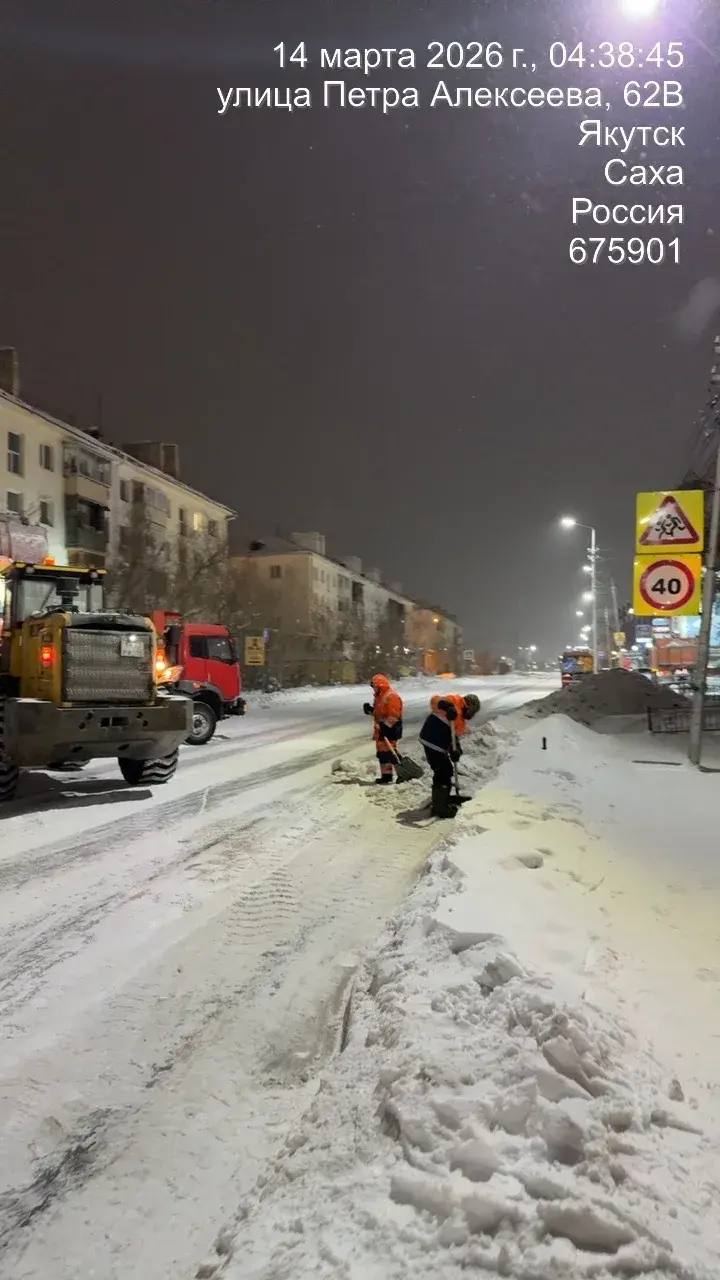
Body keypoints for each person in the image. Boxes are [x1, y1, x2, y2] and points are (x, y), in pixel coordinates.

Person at [419, 692, 481, 818]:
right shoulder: (454, 701)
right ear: (469, 706)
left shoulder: (461, 721)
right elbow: (435, 700)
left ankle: (441, 799)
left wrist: (456, 750)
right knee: (443, 771)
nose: (471, 715)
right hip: (432, 739)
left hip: (438, 744)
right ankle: (440, 808)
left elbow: (454, 737)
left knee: (444, 770)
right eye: (472, 712)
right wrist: (447, 706)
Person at [363, 673, 403, 784]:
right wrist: (371, 710)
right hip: (382, 729)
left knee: (390, 752)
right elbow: (379, 713)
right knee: (383, 754)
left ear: (380, 685)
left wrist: (386, 727)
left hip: (390, 729)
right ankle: (386, 775)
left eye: (374, 686)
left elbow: (393, 715)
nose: (373, 689)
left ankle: (403, 772)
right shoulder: (380, 697)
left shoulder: (391, 696)